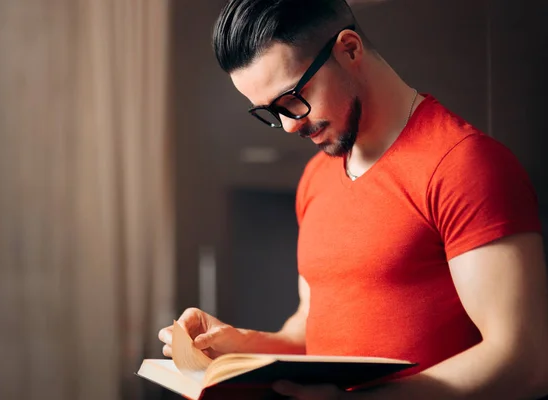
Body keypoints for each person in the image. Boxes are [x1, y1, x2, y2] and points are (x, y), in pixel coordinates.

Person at [159, 0, 548, 398]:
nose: (291, 126)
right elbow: (309, 329)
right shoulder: (316, 176)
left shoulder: (464, 164)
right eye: (271, 113)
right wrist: (239, 343)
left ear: (349, 49)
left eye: (293, 97)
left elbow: (524, 360)